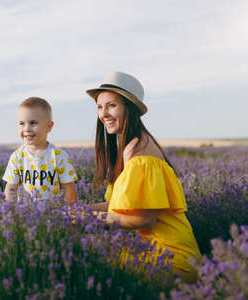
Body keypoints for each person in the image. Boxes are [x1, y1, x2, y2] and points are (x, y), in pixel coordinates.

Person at [86, 71, 202, 283]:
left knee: (82, 255)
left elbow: (144, 219)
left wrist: (90, 218)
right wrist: (79, 210)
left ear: (129, 108)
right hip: (155, 254)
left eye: (112, 105)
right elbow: (118, 204)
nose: (104, 114)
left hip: (169, 259)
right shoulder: (129, 146)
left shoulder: (139, 152)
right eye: (100, 107)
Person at [3, 97, 77, 205]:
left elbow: (67, 187)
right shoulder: (17, 157)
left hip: (54, 213)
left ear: (49, 126)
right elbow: (11, 188)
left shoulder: (59, 156)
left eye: (33, 123)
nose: (26, 129)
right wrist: (9, 210)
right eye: (22, 123)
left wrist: (69, 211)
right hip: (27, 213)